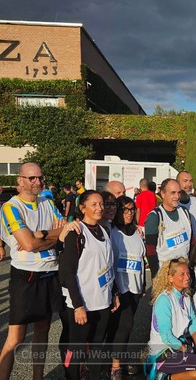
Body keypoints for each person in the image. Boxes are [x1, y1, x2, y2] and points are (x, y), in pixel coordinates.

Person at [0, 163, 65, 380]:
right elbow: (28, 245)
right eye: (32, 178)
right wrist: (50, 238)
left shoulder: (47, 202)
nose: (38, 182)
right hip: (26, 275)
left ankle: (38, 377)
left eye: (40, 177)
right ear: (20, 181)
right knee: (16, 336)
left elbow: (66, 230)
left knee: (42, 330)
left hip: (50, 273)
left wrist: (41, 235)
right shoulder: (11, 207)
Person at [59, 190, 120, 380]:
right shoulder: (76, 232)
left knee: (96, 348)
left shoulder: (104, 230)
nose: (99, 208)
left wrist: (114, 293)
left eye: (101, 204)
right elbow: (67, 272)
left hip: (102, 302)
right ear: (82, 208)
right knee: (76, 349)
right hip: (82, 303)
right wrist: (78, 305)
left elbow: (108, 265)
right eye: (93, 204)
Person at [146, 258, 196, 380]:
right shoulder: (164, 300)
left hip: (182, 344)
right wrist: (188, 350)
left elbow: (193, 324)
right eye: (182, 274)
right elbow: (167, 337)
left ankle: (187, 367)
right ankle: (165, 377)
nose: (187, 277)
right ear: (170, 278)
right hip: (164, 353)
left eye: (188, 273)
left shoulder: (186, 297)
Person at [106, 195, 146, 379]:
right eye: (124, 209)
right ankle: (116, 367)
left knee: (122, 328)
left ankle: (113, 360)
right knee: (124, 326)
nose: (128, 213)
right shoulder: (111, 231)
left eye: (131, 209)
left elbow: (140, 260)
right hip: (120, 289)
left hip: (136, 289)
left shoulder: (138, 233)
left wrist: (144, 284)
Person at [144, 178, 192, 278]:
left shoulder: (185, 212)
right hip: (165, 273)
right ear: (163, 194)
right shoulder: (155, 216)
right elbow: (150, 250)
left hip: (184, 271)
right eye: (173, 193)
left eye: (179, 193)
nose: (177, 196)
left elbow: (192, 241)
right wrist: (156, 275)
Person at [177, 170, 196, 240]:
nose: (189, 184)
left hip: (195, 245)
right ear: (177, 183)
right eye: (185, 181)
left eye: (191, 181)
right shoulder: (173, 204)